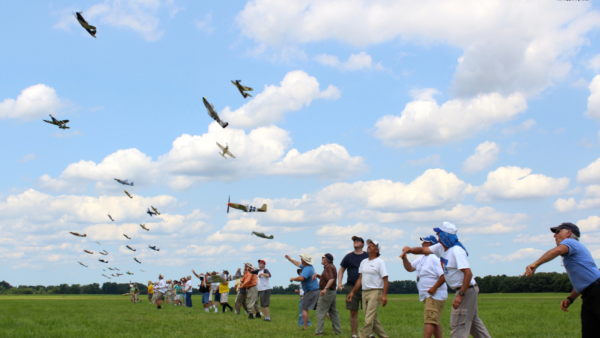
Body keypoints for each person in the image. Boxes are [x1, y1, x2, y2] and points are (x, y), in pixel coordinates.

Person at [402, 222, 491, 338]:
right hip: (466, 289)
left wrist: (461, 294)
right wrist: (409, 250)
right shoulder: (441, 248)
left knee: (458, 324)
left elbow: (468, 274)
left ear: (446, 236)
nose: (438, 236)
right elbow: (422, 250)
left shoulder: (456, 251)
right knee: (473, 324)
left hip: (465, 290)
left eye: (439, 234)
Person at [524, 222, 600, 337]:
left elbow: (557, 251)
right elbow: (583, 283)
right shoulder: (574, 249)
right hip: (590, 294)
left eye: (557, 232)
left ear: (568, 233)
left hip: (597, 291)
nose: (554, 235)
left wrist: (535, 263)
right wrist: (570, 298)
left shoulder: (570, 242)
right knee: (589, 333)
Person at [401, 235, 447, 338]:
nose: (422, 244)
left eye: (425, 242)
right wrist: (404, 258)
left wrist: (434, 288)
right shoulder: (422, 258)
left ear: (432, 245)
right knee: (435, 320)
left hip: (434, 295)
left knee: (429, 321)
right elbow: (409, 268)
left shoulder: (434, 258)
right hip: (428, 295)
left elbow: (444, 276)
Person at [347, 239, 388, 338]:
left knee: (368, 319)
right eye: (368, 245)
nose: (369, 246)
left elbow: (385, 279)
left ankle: (361, 336)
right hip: (364, 292)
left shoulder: (380, 262)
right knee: (373, 320)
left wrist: (384, 296)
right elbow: (360, 279)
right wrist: (352, 292)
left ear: (376, 250)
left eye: (372, 245)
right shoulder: (363, 262)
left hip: (375, 292)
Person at [338, 236, 369, 338]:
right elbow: (341, 270)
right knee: (353, 312)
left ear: (363, 244)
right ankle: (354, 335)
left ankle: (369, 334)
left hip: (366, 286)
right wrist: (339, 282)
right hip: (351, 287)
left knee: (368, 312)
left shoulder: (368, 255)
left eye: (358, 240)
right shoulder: (348, 257)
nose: (355, 241)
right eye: (354, 240)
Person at [286, 253, 320, 330]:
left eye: (302, 258)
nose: (300, 260)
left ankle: (305, 327)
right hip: (316, 291)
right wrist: (290, 259)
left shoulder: (307, 269)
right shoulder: (307, 266)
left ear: (304, 260)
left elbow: (302, 278)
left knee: (304, 308)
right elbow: (298, 264)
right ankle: (335, 324)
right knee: (322, 309)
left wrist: (293, 279)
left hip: (311, 292)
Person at [313, 253, 342, 336]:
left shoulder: (328, 267)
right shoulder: (331, 266)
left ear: (326, 260)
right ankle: (338, 331)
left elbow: (331, 279)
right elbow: (327, 278)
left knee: (320, 311)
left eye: (323, 258)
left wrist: (325, 289)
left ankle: (319, 332)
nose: (321, 259)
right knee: (333, 312)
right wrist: (319, 276)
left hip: (327, 292)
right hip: (332, 292)